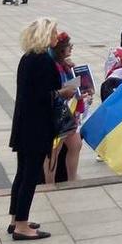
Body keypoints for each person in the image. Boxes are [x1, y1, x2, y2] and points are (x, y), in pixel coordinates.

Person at [9, 17, 75, 240]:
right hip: (36, 127)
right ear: (46, 35)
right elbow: (45, 95)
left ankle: (15, 218)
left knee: (21, 172)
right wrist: (62, 93)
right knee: (30, 174)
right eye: (54, 32)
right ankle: (21, 225)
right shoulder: (42, 61)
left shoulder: (28, 57)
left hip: (23, 124)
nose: (57, 36)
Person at [46, 31, 91, 184]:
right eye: (68, 46)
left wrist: (84, 88)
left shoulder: (64, 65)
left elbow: (71, 86)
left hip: (66, 112)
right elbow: (57, 89)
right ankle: (49, 184)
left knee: (76, 145)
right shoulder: (52, 66)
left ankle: (71, 180)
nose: (71, 48)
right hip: (55, 113)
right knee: (53, 152)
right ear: (61, 49)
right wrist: (70, 90)